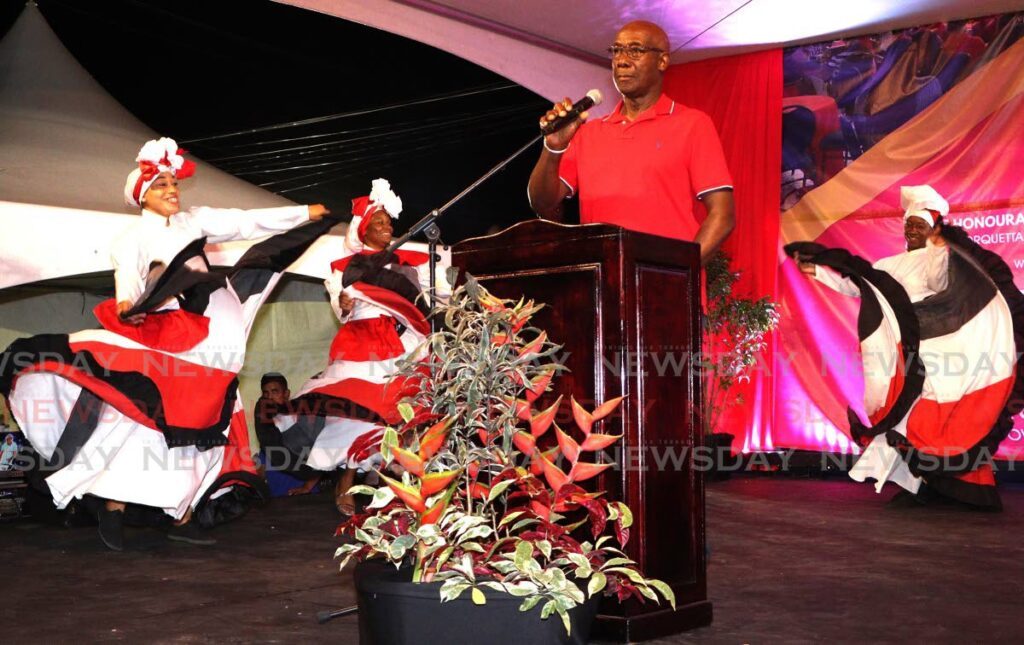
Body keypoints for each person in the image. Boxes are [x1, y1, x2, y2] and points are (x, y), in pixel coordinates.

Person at [0, 137, 331, 549]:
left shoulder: (194, 223)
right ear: (142, 195)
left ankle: (182, 514)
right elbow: (128, 282)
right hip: (171, 337)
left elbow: (245, 221)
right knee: (147, 423)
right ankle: (116, 507)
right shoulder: (133, 238)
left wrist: (303, 213)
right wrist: (126, 306)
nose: (172, 190)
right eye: (161, 185)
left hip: (212, 340)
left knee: (200, 427)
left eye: (174, 182)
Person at [790, 185, 1022, 510]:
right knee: (907, 418)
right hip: (907, 351)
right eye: (909, 225)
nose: (912, 230)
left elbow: (943, 286)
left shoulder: (943, 259)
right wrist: (817, 271)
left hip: (941, 347)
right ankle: (921, 484)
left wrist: (940, 253)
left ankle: (960, 487)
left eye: (920, 225)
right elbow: (859, 286)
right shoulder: (890, 263)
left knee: (941, 417)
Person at [276, 178, 447, 516]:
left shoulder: (407, 261)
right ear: (363, 230)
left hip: (403, 342)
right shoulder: (346, 268)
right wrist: (343, 303)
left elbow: (432, 297)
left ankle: (398, 483)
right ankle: (347, 480)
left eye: (388, 222)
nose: (386, 228)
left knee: (402, 413)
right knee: (358, 412)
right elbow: (341, 311)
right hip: (363, 343)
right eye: (378, 223)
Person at [527, 20, 735, 266]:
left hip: (665, 290)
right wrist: (553, 147)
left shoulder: (692, 124)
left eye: (635, 50)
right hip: (603, 288)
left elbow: (722, 216)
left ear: (662, 61)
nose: (622, 60)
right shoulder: (588, 132)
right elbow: (542, 202)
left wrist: (675, 273)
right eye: (616, 51)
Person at [253, 372, 322, 496]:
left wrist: (307, 487)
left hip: (307, 497)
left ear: (286, 394)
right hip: (277, 499)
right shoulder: (266, 424)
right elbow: (264, 462)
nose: (270, 398)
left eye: (275, 392)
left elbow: (321, 451)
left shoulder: (301, 419)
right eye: (266, 393)